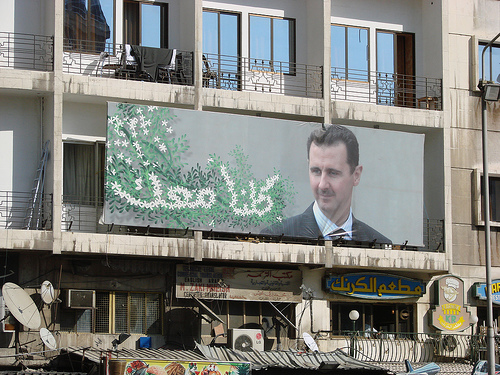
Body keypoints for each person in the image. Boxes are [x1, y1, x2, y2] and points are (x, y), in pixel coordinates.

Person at [262, 124, 391, 243]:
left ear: (356, 175)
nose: (322, 185)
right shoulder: (276, 237)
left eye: (333, 173)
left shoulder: (381, 245)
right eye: (316, 171)